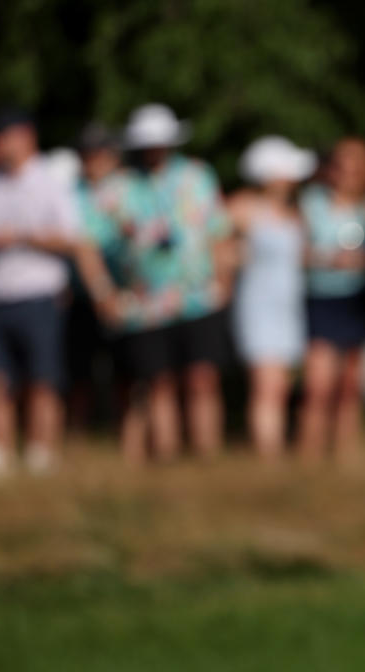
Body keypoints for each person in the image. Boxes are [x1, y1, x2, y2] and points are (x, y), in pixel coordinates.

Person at [0, 109, 109, 475]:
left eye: (1, 136)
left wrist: (23, 238)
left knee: (41, 381)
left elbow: (73, 240)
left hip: (39, 296)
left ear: (24, 136)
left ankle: (40, 455)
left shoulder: (53, 183)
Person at [97, 104, 233, 462]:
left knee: (203, 377)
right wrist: (106, 292)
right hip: (145, 303)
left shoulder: (197, 176)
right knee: (158, 382)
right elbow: (91, 242)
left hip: (198, 295)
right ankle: (167, 456)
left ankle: (207, 455)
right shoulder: (119, 187)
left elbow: (218, 232)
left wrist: (224, 279)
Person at [297, 136, 365, 464]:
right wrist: (327, 259)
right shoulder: (310, 203)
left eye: (356, 166)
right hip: (321, 297)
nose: (349, 172)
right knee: (318, 384)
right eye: (342, 165)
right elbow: (295, 251)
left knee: (350, 383)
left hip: (358, 298)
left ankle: (347, 454)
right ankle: (309, 454)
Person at [229, 136, 315, 459]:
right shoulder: (243, 208)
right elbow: (213, 246)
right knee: (266, 386)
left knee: (281, 387)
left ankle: (275, 452)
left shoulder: (295, 213)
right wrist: (233, 257)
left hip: (289, 307)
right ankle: (269, 458)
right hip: (258, 305)